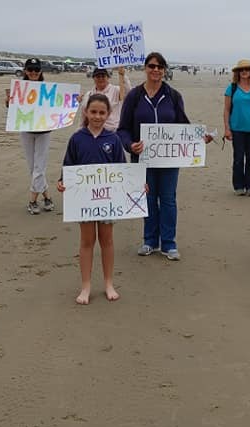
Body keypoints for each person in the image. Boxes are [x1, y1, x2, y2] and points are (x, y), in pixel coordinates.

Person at [118, 51, 201, 261]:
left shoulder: (173, 96)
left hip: (169, 159)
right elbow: (123, 129)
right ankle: (150, 241)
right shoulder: (134, 96)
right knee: (147, 198)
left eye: (160, 67)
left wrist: (200, 139)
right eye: (152, 66)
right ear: (146, 68)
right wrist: (130, 145)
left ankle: (169, 244)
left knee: (168, 200)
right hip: (142, 158)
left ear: (164, 70)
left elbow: (184, 126)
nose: (156, 70)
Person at [57, 93, 125, 304]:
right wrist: (62, 182)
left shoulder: (113, 139)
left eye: (101, 112)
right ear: (86, 112)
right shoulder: (77, 138)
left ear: (108, 114)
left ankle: (108, 283)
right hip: (84, 202)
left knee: (107, 241)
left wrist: (137, 187)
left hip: (107, 201)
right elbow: (68, 166)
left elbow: (123, 171)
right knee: (87, 242)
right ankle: (86, 285)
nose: (97, 116)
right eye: (93, 112)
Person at [7, 57, 54, 214]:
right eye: (30, 70)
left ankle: (32, 201)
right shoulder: (19, 89)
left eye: (36, 70)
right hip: (27, 130)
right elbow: (13, 108)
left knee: (39, 167)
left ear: (40, 71)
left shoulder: (48, 88)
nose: (33, 72)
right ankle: (47, 197)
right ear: (25, 71)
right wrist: (8, 101)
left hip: (44, 131)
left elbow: (57, 105)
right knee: (32, 167)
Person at [223, 59, 250, 196]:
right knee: (238, 159)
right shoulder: (232, 88)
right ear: (237, 72)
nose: (244, 72)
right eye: (241, 70)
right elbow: (226, 110)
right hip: (237, 129)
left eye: (247, 69)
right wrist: (227, 128)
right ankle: (239, 186)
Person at [78, 67, 130, 132]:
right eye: (98, 77)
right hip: (93, 132)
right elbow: (83, 115)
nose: (100, 79)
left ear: (108, 77)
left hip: (113, 131)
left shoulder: (116, 90)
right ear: (93, 78)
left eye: (103, 76)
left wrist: (123, 75)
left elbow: (128, 92)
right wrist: (79, 131)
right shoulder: (88, 95)